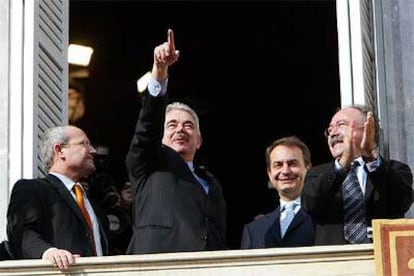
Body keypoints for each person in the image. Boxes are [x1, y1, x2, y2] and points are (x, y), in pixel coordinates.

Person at [125, 29, 227, 254]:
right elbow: (147, 127)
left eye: (188, 125)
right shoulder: (148, 164)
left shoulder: (211, 182)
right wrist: (159, 74)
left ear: (199, 141)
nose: (180, 129)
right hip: (158, 266)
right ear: (160, 137)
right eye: (172, 125)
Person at [302, 105, 414, 245]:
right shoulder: (318, 174)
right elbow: (310, 204)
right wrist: (342, 165)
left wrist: (370, 158)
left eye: (341, 125)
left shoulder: (395, 169)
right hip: (333, 262)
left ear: (368, 129)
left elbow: (402, 201)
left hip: (381, 257)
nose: (333, 133)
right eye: (329, 130)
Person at [6, 126, 109, 270]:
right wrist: (48, 252)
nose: (93, 150)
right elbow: (21, 232)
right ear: (60, 150)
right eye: (84, 144)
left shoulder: (93, 203)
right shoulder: (33, 189)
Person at [240, 136, 315, 249]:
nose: (285, 171)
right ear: (270, 173)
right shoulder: (253, 230)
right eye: (278, 165)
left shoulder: (326, 221)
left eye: (292, 164)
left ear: (308, 169)